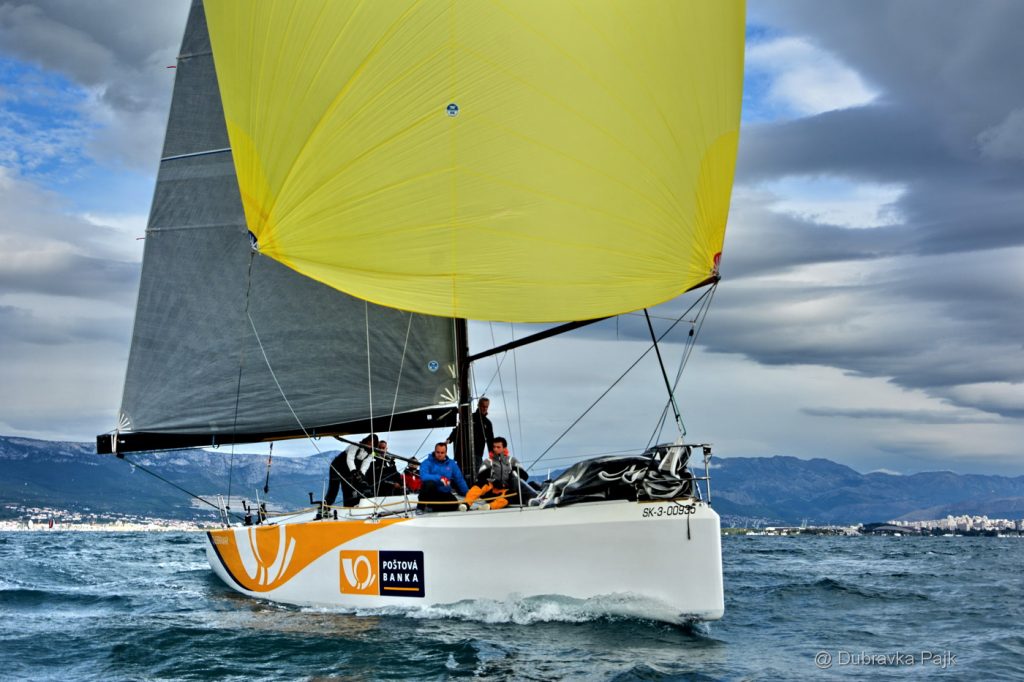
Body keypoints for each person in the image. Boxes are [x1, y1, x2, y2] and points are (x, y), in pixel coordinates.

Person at [465, 436, 534, 509]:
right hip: (491, 491)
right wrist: (494, 481)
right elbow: (480, 478)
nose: (495, 449)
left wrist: (511, 480)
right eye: (494, 447)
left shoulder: (512, 461)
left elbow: (523, 477)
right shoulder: (488, 462)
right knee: (480, 484)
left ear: (504, 448)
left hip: (504, 491)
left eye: (498, 447)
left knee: (510, 494)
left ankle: (489, 506)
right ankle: (466, 504)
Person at [324, 434, 378, 509]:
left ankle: (348, 508)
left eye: (372, 443)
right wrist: (354, 471)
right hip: (337, 466)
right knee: (334, 488)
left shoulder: (372, 452)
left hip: (348, 470)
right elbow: (350, 458)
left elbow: (366, 463)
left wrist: (361, 474)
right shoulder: (356, 445)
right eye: (369, 442)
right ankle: (325, 507)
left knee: (348, 489)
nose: (370, 444)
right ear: (366, 440)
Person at [448, 397, 494, 475]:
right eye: (483, 406)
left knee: (478, 476)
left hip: (477, 454)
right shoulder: (469, 418)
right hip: (463, 454)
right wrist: (449, 439)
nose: (485, 409)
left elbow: (490, 440)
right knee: (460, 475)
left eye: (486, 407)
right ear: (478, 405)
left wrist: (492, 455)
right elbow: (457, 429)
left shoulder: (487, 423)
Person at [417, 442, 468, 512]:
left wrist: (468, 494)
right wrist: (440, 478)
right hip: (430, 493)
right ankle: (420, 507)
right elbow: (423, 476)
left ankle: (432, 507)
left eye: (442, 453)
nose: (439, 454)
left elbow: (459, 480)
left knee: (454, 505)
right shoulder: (426, 462)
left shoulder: (452, 464)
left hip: (444, 493)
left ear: (446, 453)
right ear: (434, 451)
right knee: (429, 483)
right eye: (438, 452)